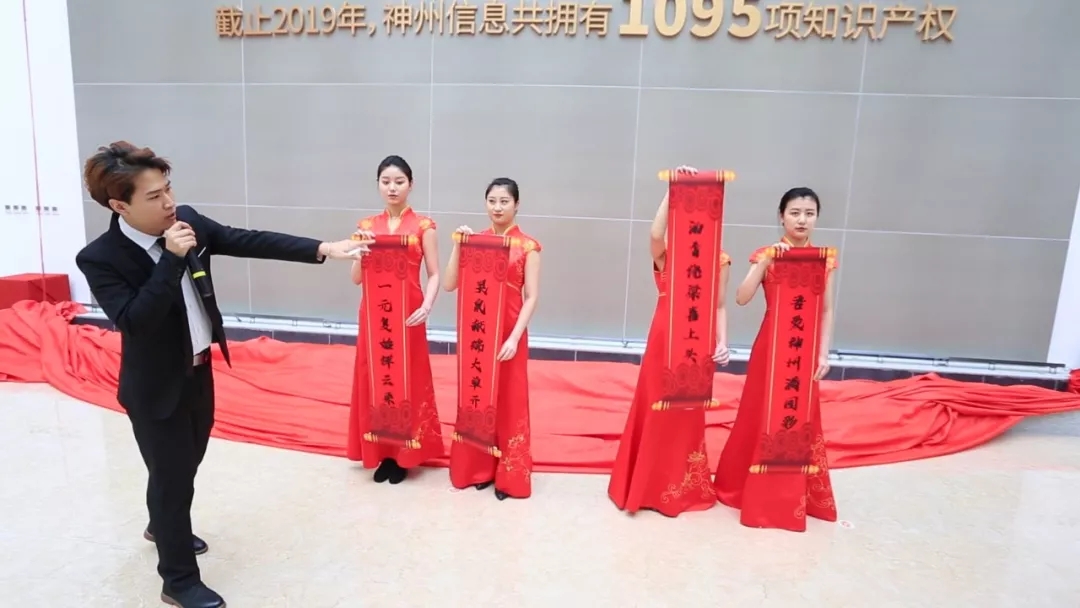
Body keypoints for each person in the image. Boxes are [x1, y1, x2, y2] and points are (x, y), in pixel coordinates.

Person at [74, 141, 360, 608]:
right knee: (172, 479)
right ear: (119, 206)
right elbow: (135, 322)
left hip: (198, 371)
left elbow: (246, 239)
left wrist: (324, 248)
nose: (169, 203)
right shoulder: (101, 257)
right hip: (154, 387)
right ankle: (178, 580)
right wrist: (170, 259)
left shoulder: (184, 221)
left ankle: (161, 525)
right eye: (154, 197)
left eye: (168, 189)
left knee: (185, 464)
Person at [607, 165, 731, 517]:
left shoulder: (720, 260)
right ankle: (644, 485)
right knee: (656, 406)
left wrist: (723, 341)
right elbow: (655, 233)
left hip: (698, 346)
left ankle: (678, 487)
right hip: (664, 340)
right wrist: (673, 189)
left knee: (686, 414)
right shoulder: (668, 255)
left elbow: (719, 306)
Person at [712, 186, 839, 532]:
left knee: (800, 419)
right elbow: (741, 298)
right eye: (794, 213)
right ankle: (745, 486)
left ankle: (793, 493)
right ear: (781, 216)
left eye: (809, 214)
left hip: (804, 351)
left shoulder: (824, 259)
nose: (802, 220)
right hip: (771, 348)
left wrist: (823, 352)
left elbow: (826, 310)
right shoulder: (766, 254)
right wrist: (767, 261)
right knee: (759, 413)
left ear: (817, 218)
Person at [442, 177, 542, 500]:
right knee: (478, 398)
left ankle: (509, 474)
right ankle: (478, 468)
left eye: (504, 201)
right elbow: (449, 284)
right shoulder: (476, 242)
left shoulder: (528, 246)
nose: (497, 208)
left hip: (510, 333)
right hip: (479, 333)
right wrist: (458, 246)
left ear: (517, 204)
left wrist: (514, 338)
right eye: (492, 201)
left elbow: (531, 297)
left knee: (510, 400)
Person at [346, 155, 444, 484]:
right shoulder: (366, 227)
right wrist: (358, 253)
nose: (392, 188)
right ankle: (382, 452)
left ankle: (404, 454)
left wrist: (427, 306)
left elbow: (434, 273)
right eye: (386, 182)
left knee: (407, 379)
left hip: (408, 315)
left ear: (410, 185)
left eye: (399, 182)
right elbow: (356, 278)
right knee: (376, 378)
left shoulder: (423, 227)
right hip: (374, 316)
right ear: (378, 184)